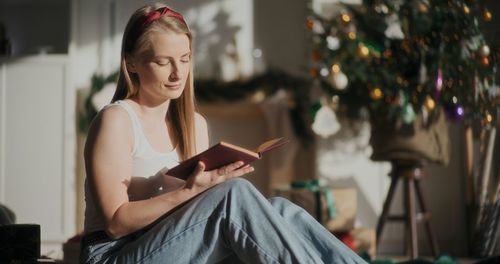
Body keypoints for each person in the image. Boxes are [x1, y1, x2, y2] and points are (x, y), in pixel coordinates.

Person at [80, 3, 367, 264]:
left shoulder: (194, 124)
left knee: (282, 209)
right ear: (132, 63)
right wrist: (192, 190)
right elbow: (116, 223)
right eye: (163, 61)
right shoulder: (116, 120)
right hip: (114, 254)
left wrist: (210, 184)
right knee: (234, 195)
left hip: (169, 242)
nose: (178, 73)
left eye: (184, 58)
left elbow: (193, 216)